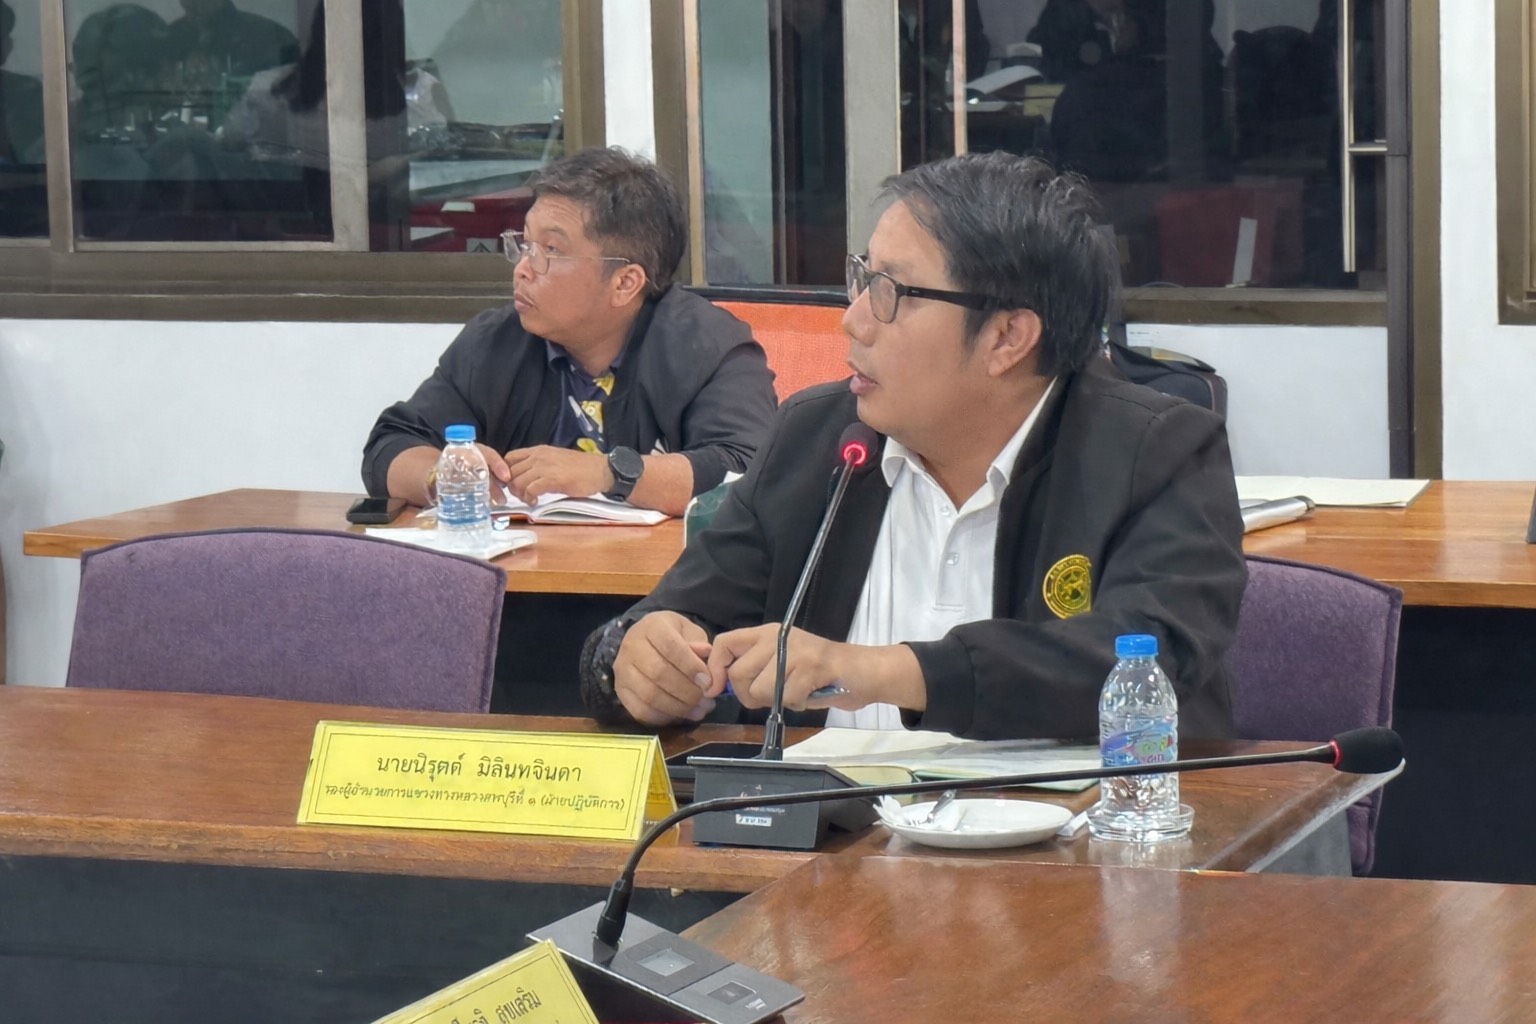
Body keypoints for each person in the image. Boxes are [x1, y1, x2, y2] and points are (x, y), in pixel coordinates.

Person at [580, 151, 1246, 740]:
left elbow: (1141, 662)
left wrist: (878, 671)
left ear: (1007, 338)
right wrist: (635, 660)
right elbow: (669, 617)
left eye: (891, 292)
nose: (853, 319)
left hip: (1072, 834)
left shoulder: (1156, 452)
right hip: (830, 835)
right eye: (861, 278)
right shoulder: (817, 439)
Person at [363, 146, 778, 713]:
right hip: (519, 616)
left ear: (626, 282)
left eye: (551, 251)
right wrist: (448, 474)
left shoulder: (709, 346)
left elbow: (747, 473)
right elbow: (390, 446)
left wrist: (609, 474)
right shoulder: (497, 341)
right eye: (523, 244)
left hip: (665, 624)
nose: (523, 267)